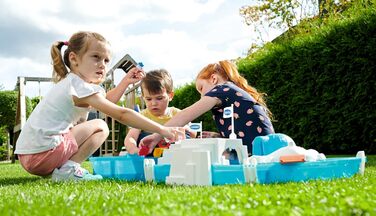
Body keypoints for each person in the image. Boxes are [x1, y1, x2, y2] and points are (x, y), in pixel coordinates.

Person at [14, 31, 183, 181]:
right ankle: (69, 169)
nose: (102, 64)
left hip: (29, 156)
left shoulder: (73, 84)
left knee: (86, 122)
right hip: (43, 154)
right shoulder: (79, 86)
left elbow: (106, 102)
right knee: (101, 127)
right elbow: (122, 114)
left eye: (106, 60)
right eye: (96, 57)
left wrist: (125, 81)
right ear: (74, 59)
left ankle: (64, 169)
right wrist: (163, 130)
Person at [140, 60, 275, 157]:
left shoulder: (221, 90)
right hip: (264, 148)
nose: (202, 96)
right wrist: (219, 136)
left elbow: (185, 115)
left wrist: (157, 135)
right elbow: (241, 129)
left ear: (214, 79)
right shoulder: (232, 93)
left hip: (255, 153)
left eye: (201, 88)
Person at [124, 69, 182, 155]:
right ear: (143, 97)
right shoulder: (142, 116)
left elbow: (193, 133)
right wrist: (134, 150)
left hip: (174, 156)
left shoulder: (177, 114)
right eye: (148, 99)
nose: (154, 103)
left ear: (170, 95)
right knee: (144, 136)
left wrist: (185, 129)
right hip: (148, 157)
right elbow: (131, 137)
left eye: (159, 98)